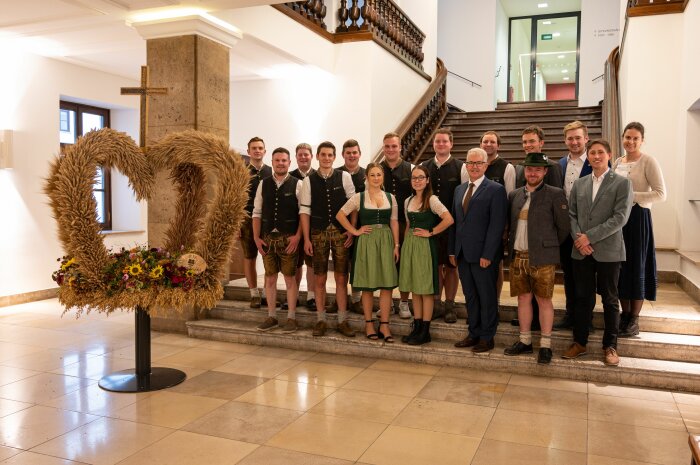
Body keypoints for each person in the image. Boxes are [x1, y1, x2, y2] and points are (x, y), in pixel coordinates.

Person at [562, 139, 633, 367]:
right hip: (581, 251)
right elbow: (572, 214)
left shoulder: (622, 183)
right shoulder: (580, 183)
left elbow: (620, 218)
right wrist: (579, 239)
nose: (596, 156)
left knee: (610, 300)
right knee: (582, 298)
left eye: (600, 152)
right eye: (592, 153)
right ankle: (579, 342)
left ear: (609, 155)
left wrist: (588, 237)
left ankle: (610, 346)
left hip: (608, 250)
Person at [503, 153, 570, 364]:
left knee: (544, 300)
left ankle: (545, 345)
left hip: (542, 258)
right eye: (529, 169)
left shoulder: (555, 194)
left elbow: (563, 228)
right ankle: (524, 341)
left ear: (545, 172)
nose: (532, 173)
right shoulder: (514, 195)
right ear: (524, 171)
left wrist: (546, 246)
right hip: (518, 256)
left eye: (537, 169)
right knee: (523, 298)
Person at [450, 148, 508, 353]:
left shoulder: (495, 189)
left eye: (478, 163)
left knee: (487, 295)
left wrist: (488, 254)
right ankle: (473, 332)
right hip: (463, 253)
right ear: (466, 165)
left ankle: (487, 336)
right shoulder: (459, 189)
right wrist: (452, 251)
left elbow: (496, 225)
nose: (474, 166)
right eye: (470, 163)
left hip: (484, 255)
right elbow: (457, 223)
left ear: (486, 165)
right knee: (470, 296)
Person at [336, 163, 400, 342]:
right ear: (367, 177)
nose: (376, 178)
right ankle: (369, 323)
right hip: (366, 241)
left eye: (379, 174)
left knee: (387, 285)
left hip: (386, 240)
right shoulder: (359, 197)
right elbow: (340, 215)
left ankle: (385, 325)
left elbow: (394, 222)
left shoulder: (391, 197)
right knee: (368, 285)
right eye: (372, 175)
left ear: (383, 177)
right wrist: (355, 231)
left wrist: (396, 245)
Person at [615, 122, 666, 337]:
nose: (631, 141)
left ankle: (634, 319)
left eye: (636, 138)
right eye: (628, 137)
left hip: (638, 219)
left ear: (642, 140)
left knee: (636, 267)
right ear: (623, 137)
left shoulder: (648, 161)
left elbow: (661, 193)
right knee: (621, 268)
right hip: (619, 220)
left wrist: (631, 196)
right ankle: (624, 315)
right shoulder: (617, 161)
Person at [300, 141, 356, 338]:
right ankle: (321, 319)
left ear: (334, 157)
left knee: (342, 277)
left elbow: (353, 206)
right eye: (323, 155)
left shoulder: (345, 176)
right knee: (320, 278)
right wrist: (306, 238)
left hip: (341, 233)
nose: (326, 158)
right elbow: (305, 211)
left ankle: (342, 320)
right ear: (317, 156)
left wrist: (351, 230)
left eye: (330, 155)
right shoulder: (308, 180)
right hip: (318, 232)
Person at [512, 125, 563, 329]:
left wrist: (549, 242)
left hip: (543, 242)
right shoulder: (519, 168)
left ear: (541, 142)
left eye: (531, 141)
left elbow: (559, 215)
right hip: (523, 241)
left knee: (542, 295)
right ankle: (527, 320)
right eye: (524, 142)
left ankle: (539, 325)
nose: (528, 145)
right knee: (524, 295)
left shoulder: (553, 167)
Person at [399, 165, 454, 345]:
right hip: (411, 246)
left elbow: (449, 219)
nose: (417, 181)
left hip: (425, 246)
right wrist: (404, 245)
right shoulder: (408, 200)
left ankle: (425, 330)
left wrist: (431, 232)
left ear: (427, 180)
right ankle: (417, 326)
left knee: (426, 290)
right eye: (414, 178)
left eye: (421, 177)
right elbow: (408, 225)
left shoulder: (432, 200)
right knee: (415, 287)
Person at [252, 148, 302, 333]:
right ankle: (271, 316)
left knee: (289, 278)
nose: (281, 163)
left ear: (290, 163)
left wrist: (298, 236)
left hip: (289, 238)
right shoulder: (263, 184)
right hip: (267, 239)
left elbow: (303, 214)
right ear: (272, 162)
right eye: (277, 160)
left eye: (284, 160)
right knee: (270, 278)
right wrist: (256, 237)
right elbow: (256, 212)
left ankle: (291, 318)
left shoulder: (299, 184)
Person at [421, 128, 467, 323]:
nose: (440, 144)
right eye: (437, 141)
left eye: (444, 142)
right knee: (435, 265)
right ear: (433, 144)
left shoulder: (461, 167)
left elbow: (465, 196)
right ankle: (437, 302)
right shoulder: (424, 166)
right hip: (430, 225)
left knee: (451, 266)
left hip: (452, 225)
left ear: (451, 144)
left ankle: (450, 304)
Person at [554, 120, 593, 331]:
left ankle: (585, 318)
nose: (574, 141)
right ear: (565, 141)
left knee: (585, 276)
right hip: (565, 229)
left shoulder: (595, 161)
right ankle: (570, 314)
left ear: (586, 139)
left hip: (587, 230)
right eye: (570, 138)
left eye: (578, 137)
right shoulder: (560, 164)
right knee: (569, 275)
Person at [380, 132, 414, 319]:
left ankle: (403, 302)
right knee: (385, 264)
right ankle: (387, 302)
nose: (391, 149)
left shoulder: (411, 169)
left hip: (404, 224)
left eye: (394, 146)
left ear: (400, 147)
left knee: (403, 265)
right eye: (387, 146)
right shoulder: (376, 169)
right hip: (383, 225)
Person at [481, 130, 515, 303]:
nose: (488, 144)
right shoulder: (473, 165)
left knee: (497, 265)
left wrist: (505, 227)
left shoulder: (507, 167)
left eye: (492, 142)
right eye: (485, 141)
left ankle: (496, 300)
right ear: (481, 144)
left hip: (497, 227)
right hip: (477, 227)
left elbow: (510, 199)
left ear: (498, 145)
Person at [241, 137, 272, 308]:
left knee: (268, 257)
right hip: (246, 220)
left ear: (264, 151)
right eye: (254, 148)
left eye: (260, 148)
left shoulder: (271, 171)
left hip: (266, 221)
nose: (257, 150)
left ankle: (268, 292)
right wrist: (237, 223)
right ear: (248, 151)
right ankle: (254, 293)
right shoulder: (241, 171)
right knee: (249, 257)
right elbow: (235, 199)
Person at [338, 139, 366, 314]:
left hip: (362, 227)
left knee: (357, 264)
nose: (352, 155)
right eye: (348, 152)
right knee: (341, 266)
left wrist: (355, 229)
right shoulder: (336, 174)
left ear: (359, 154)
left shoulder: (367, 174)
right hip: (341, 227)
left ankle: (356, 300)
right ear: (343, 155)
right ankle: (339, 299)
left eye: (354, 152)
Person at [289, 142, 316, 311]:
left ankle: (311, 296)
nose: (303, 157)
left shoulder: (318, 176)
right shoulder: (290, 177)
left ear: (312, 156)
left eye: (306, 154)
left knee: (312, 263)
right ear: (296, 157)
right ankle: (295, 295)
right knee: (296, 263)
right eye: (300, 155)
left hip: (313, 226)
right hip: (293, 227)